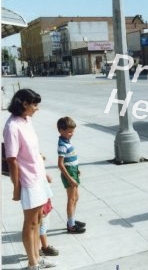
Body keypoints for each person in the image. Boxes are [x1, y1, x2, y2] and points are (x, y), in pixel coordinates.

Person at [3, 88, 55, 270]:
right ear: (24, 104)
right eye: (34, 104)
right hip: (28, 181)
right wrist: (16, 187)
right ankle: (32, 264)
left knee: (38, 219)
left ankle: (37, 258)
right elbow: (12, 160)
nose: (37, 108)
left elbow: (32, 152)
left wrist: (44, 172)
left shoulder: (26, 120)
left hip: (38, 177)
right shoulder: (12, 127)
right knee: (30, 222)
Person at [57, 116, 86, 234]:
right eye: (69, 131)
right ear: (60, 130)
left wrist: (77, 169)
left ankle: (72, 220)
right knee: (71, 199)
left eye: (72, 131)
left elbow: (71, 158)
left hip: (73, 171)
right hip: (69, 173)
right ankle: (71, 226)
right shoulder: (62, 145)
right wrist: (70, 178)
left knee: (76, 198)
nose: (71, 134)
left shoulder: (67, 141)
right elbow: (60, 164)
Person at [40, 174, 59, 257]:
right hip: (41, 206)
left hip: (45, 204)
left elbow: (50, 179)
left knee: (44, 226)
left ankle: (42, 248)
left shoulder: (41, 172)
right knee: (42, 228)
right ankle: (45, 247)